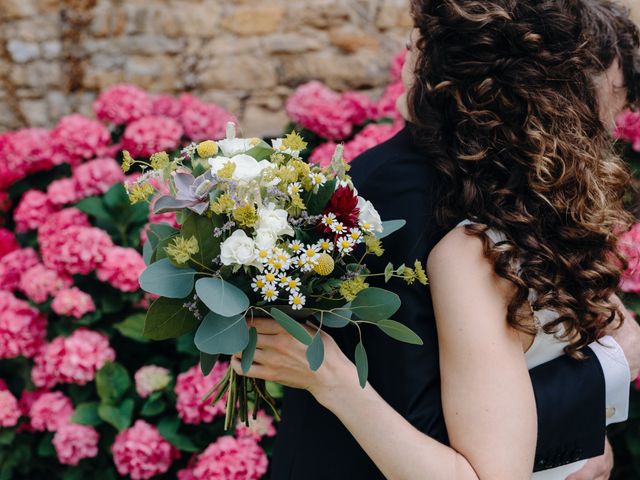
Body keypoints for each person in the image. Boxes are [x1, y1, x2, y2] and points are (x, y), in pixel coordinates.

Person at [236, 1, 640, 479]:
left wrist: (582, 439)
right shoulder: (418, 207)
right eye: (608, 95)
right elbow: (437, 431)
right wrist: (608, 369)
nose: (613, 122)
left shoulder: (510, 200)